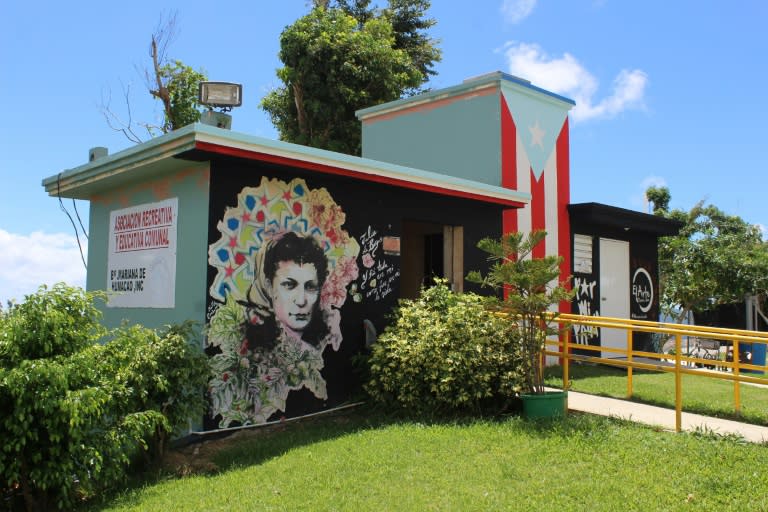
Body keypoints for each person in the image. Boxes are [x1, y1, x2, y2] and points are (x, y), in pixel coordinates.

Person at [244, 231, 330, 351]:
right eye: (289, 285)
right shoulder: (256, 349)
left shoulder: (322, 342)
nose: (301, 301)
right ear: (269, 288)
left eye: (310, 287)